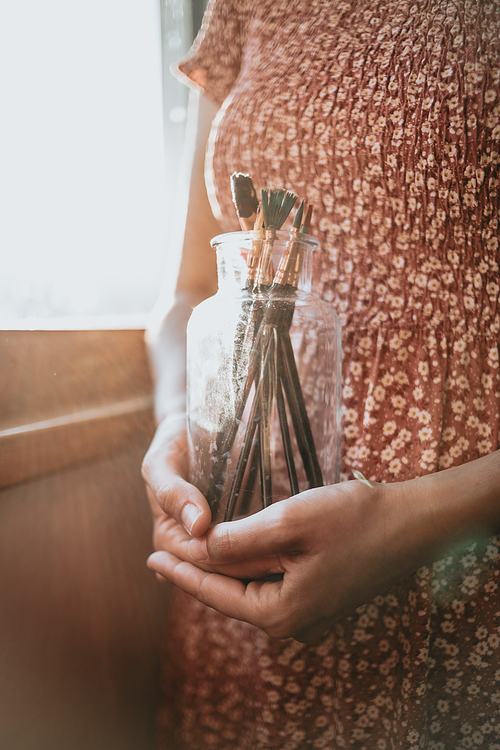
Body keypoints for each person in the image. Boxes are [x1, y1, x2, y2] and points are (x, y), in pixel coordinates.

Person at [142, 0, 500, 746]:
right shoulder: (243, 8)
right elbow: (186, 292)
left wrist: (415, 520)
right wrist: (178, 419)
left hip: (466, 560)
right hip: (248, 529)